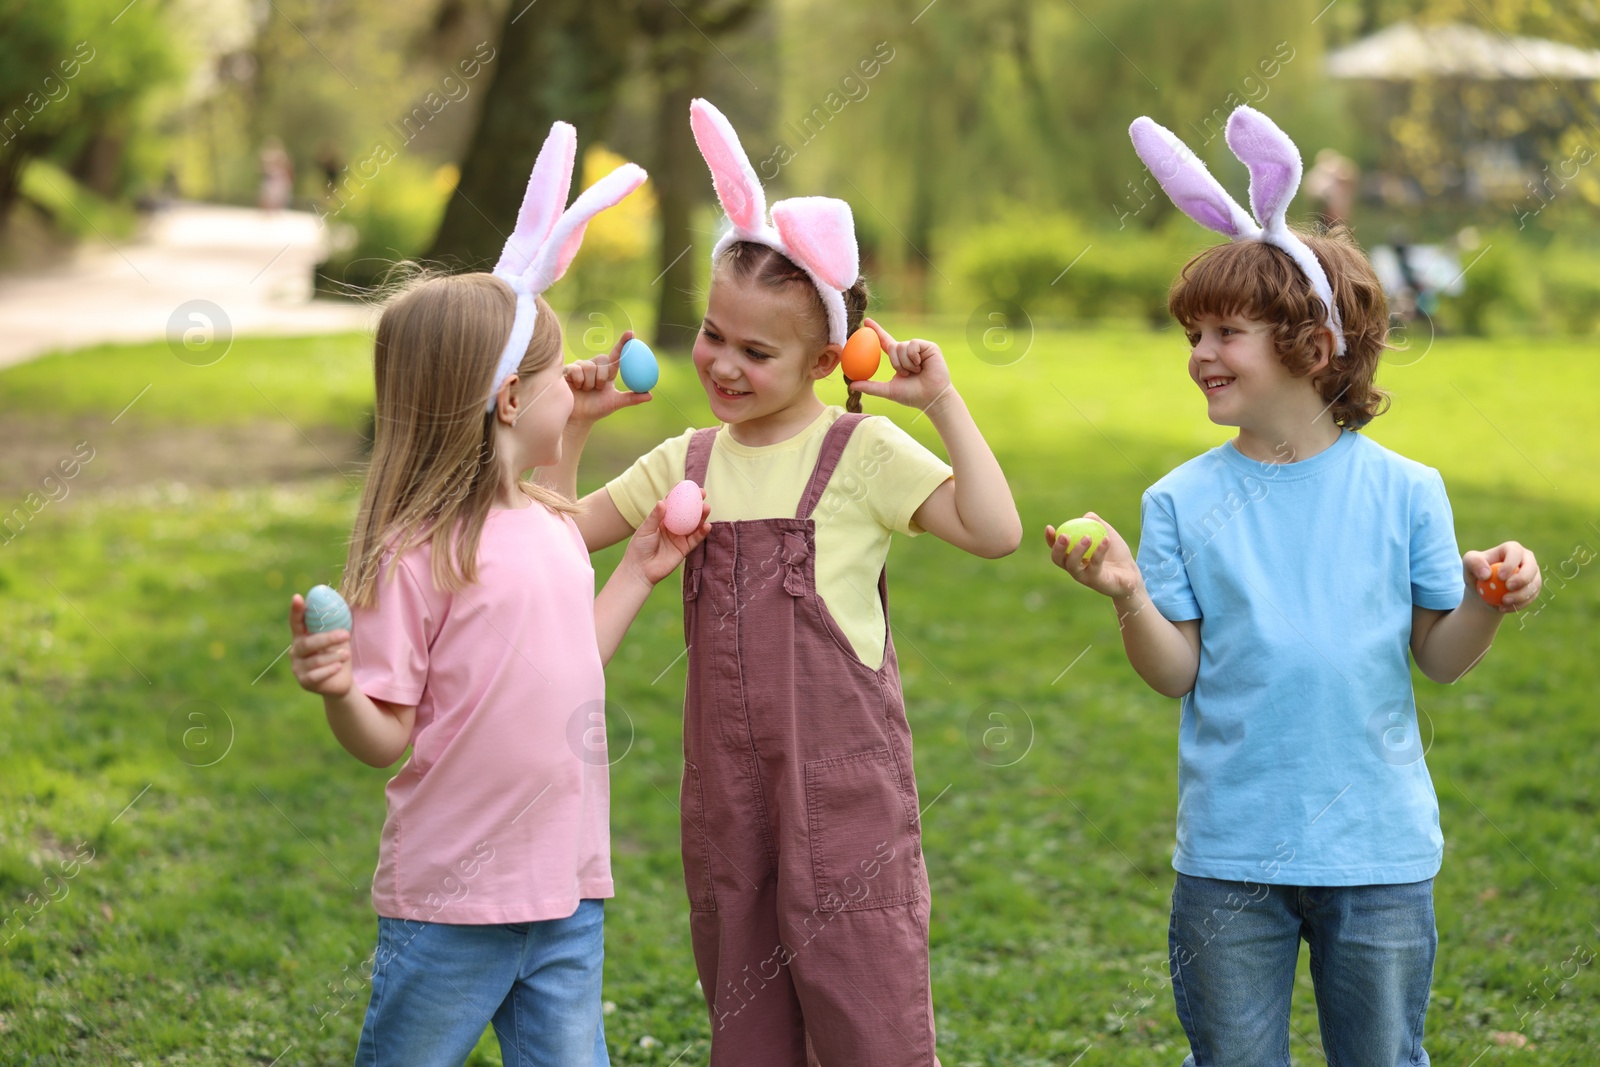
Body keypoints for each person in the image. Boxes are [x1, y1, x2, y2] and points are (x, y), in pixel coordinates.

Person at [1049, 106, 1543, 1065]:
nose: (1199, 353)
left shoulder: (1408, 492)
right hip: (1231, 856)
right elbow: (1176, 673)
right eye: (1192, 332)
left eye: (1227, 331)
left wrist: (1486, 597)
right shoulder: (1180, 502)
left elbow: (1439, 659)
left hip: (1378, 855)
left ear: (1314, 349)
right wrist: (1126, 596)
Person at [551, 98, 1021, 1066]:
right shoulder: (681, 461)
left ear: (821, 358)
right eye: (714, 333)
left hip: (845, 797)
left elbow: (994, 529)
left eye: (755, 351)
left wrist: (942, 403)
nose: (722, 362)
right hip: (730, 797)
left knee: (867, 1003)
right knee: (746, 1002)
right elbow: (550, 541)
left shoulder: (863, 451)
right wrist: (575, 426)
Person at [287, 126, 699, 1067]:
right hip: (450, 909)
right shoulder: (419, 554)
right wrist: (340, 687)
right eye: (560, 371)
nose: (581, 376)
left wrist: (637, 567)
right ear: (512, 399)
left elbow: (566, 661)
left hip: (565, 893)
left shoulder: (551, 524)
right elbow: (382, 735)